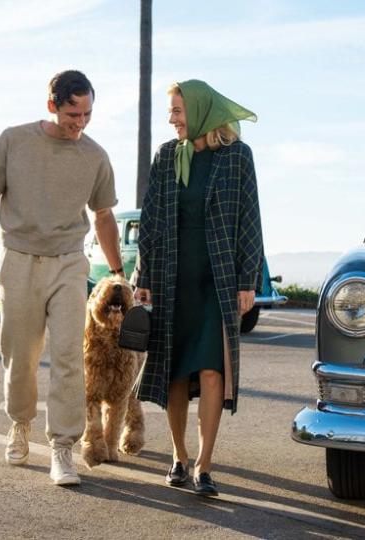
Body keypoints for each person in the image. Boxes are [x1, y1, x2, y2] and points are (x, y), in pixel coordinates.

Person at [0, 70, 124, 486]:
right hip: (18, 260)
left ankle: (63, 448)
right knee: (20, 356)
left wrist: (117, 271)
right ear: (52, 105)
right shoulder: (13, 141)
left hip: (69, 263)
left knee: (70, 357)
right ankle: (20, 423)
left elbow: (104, 216)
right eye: (73, 113)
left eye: (88, 113)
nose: (81, 122)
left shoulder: (95, 156)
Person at [133, 80, 263, 496]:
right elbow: (151, 221)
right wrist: (145, 277)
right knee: (175, 371)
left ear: (202, 110)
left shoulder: (237, 157)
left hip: (218, 281)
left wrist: (248, 281)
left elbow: (250, 220)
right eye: (170, 112)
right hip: (173, 277)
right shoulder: (167, 156)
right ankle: (179, 457)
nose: (171, 120)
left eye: (177, 111)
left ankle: (205, 466)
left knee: (212, 370)